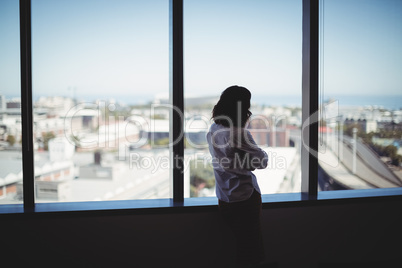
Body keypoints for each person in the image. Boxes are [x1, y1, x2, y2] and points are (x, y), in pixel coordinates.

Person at [206, 85, 268, 268]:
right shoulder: (239, 133)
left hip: (224, 197)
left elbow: (226, 160)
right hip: (245, 198)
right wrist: (248, 160)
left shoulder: (214, 128)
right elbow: (263, 161)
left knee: (238, 247)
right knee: (251, 251)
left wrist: (244, 159)